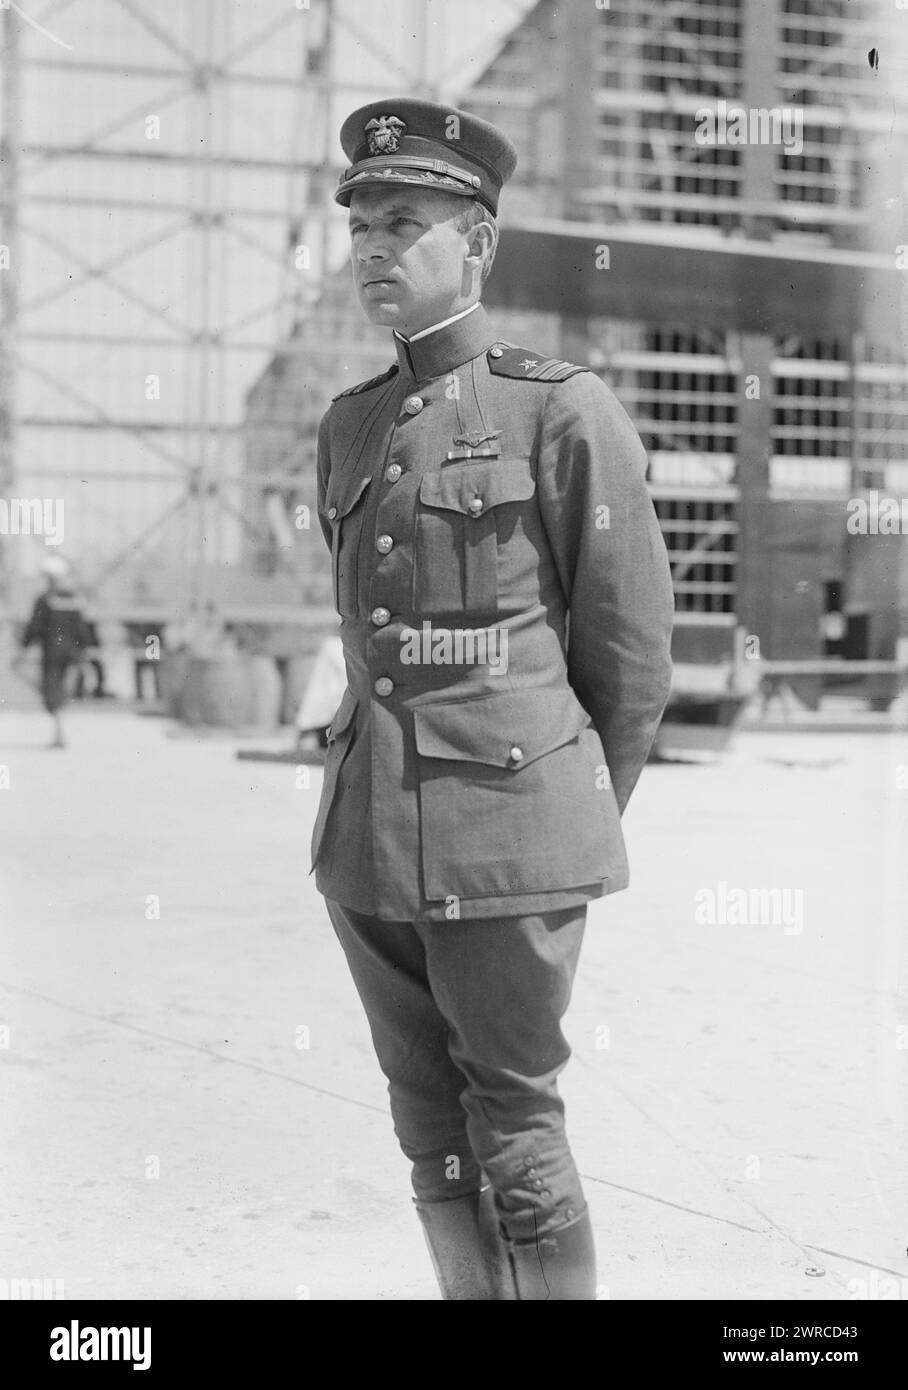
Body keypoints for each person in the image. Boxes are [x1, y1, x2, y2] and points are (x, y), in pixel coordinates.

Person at [311, 98, 675, 1299]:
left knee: (512, 1125)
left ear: (478, 242)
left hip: (508, 834)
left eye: (402, 220)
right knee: (428, 1129)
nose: (371, 244)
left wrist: (558, 818)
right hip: (366, 839)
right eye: (359, 220)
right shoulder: (350, 423)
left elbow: (627, 658)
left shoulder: (560, 409)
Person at [20, 555, 93, 748]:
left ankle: (59, 734)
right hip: (71, 653)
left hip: (52, 652)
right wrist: (84, 650)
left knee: (51, 691)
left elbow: (34, 628)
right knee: (61, 690)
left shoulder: (45, 600)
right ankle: (60, 729)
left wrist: (24, 647)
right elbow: (82, 629)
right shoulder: (74, 599)